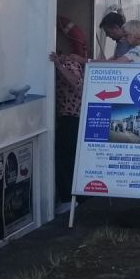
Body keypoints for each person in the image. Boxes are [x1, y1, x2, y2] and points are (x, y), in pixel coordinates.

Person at [48, 17, 90, 216]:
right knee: (70, 156)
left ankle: (69, 198)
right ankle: (78, 196)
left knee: (66, 157)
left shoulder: (68, 63)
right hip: (69, 116)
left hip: (70, 116)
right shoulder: (68, 61)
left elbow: (77, 84)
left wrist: (58, 66)